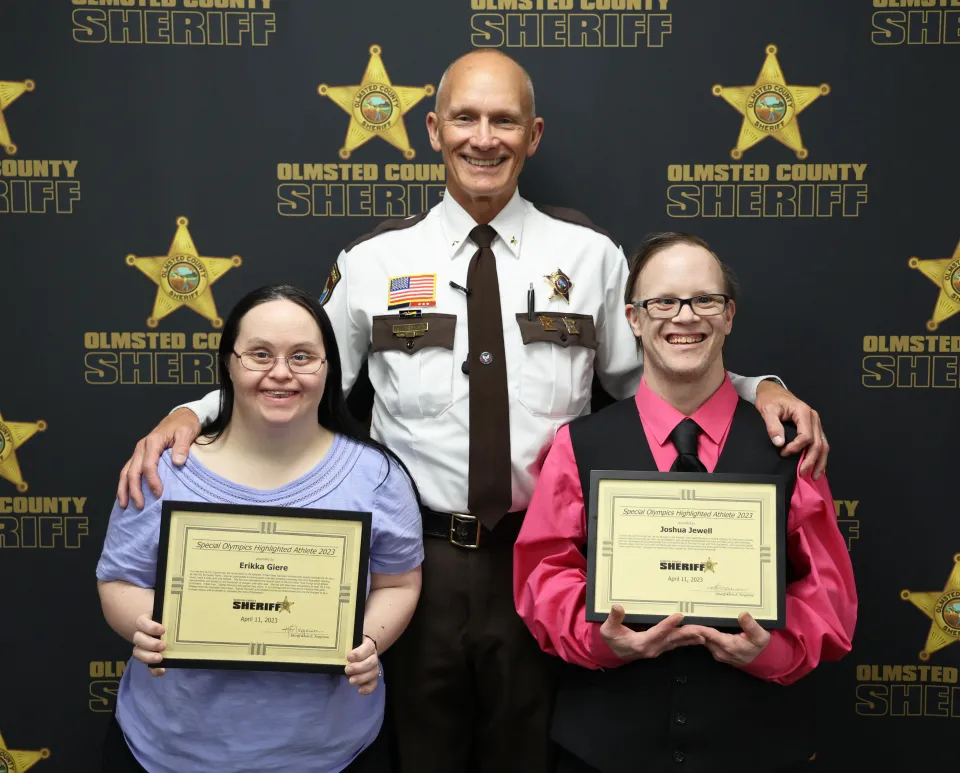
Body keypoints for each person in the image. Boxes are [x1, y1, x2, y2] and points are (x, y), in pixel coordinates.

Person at [113, 51, 829, 773]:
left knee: (527, 757)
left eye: (504, 120)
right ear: (433, 129)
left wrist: (756, 387)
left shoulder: (590, 258)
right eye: (466, 117)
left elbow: (664, 370)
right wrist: (191, 411)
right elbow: (301, 367)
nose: (483, 137)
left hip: (540, 560)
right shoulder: (375, 261)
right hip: (415, 566)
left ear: (534, 135)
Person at [513, 233, 857, 773]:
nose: (685, 317)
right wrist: (600, 639)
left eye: (705, 300)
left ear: (729, 315)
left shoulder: (788, 447)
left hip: (755, 747)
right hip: (603, 751)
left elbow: (828, 594)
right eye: (664, 302)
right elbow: (544, 575)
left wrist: (772, 650)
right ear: (632, 318)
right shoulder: (577, 445)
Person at [97, 285, 423, 773]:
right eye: (260, 354)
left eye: (303, 357)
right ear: (228, 363)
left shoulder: (376, 475)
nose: (281, 372)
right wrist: (149, 627)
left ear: (329, 367)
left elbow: (399, 582)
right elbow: (119, 580)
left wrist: (368, 642)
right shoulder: (162, 470)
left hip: (331, 753)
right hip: (172, 750)